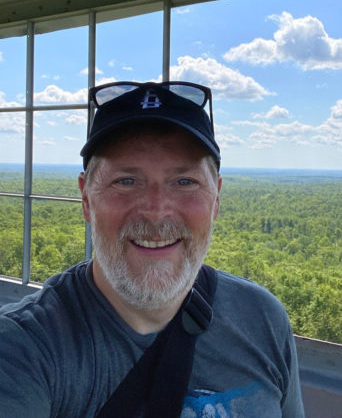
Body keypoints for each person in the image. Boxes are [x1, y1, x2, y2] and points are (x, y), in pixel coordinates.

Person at [0, 81, 305, 417]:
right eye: (126, 181)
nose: (156, 211)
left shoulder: (262, 320)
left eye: (185, 182)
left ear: (216, 199)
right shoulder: (22, 350)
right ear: (86, 199)